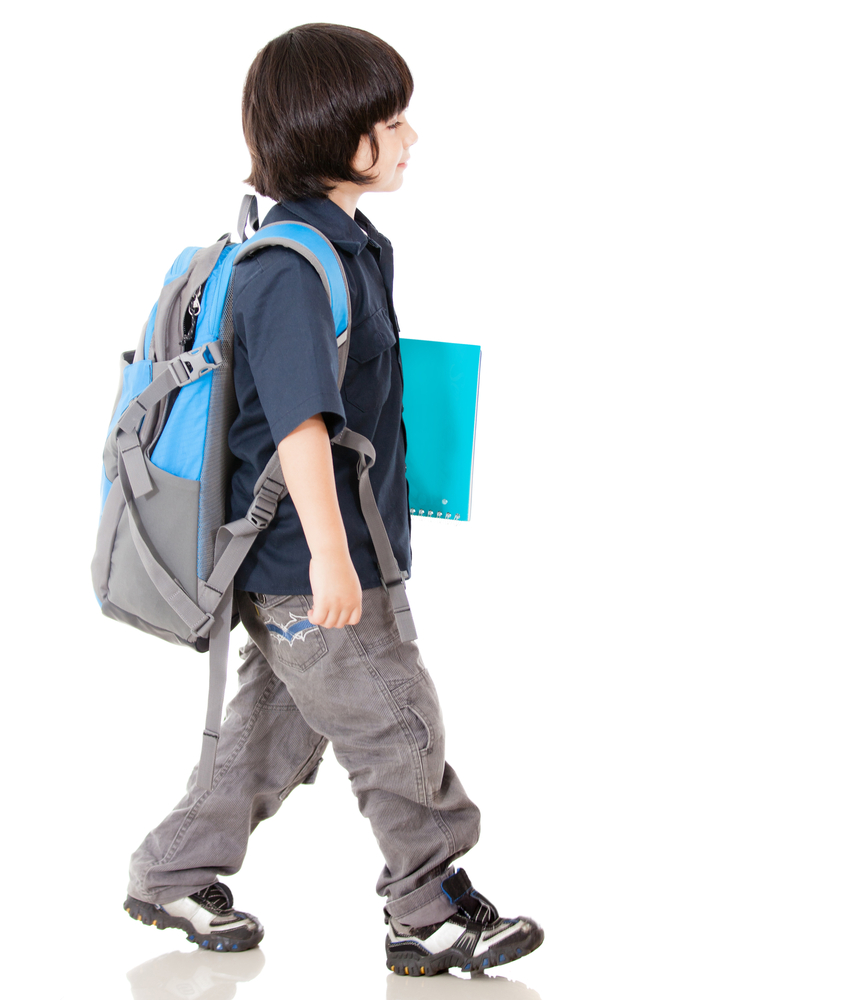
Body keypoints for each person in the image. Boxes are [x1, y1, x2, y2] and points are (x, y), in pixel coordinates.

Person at [122, 23, 543, 977]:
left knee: (271, 737)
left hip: (339, 551)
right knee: (397, 722)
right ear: (330, 132)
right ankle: (427, 908)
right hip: (313, 562)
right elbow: (300, 427)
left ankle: (169, 872)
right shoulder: (288, 267)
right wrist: (330, 560)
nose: (410, 138)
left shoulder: (353, 247)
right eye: (390, 122)